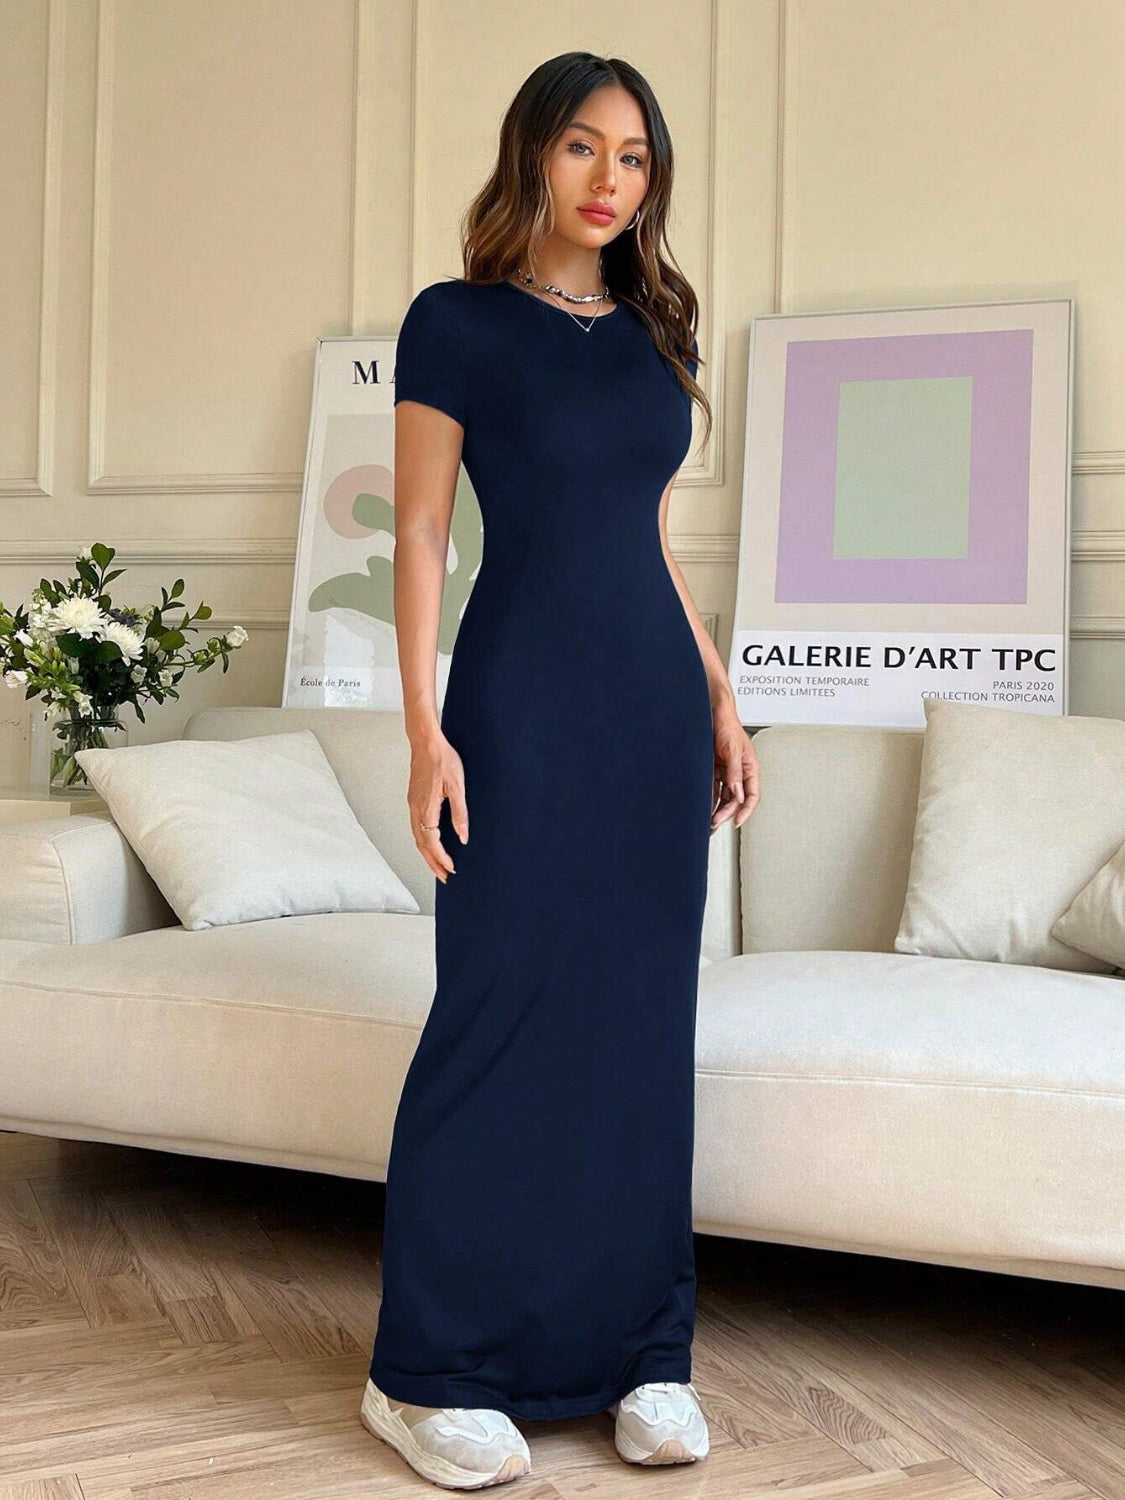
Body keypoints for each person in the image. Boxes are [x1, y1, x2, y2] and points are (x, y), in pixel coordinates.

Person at [360, 50, 760, 1490]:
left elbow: (649, 539)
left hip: (649, 711)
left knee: (638, 1029)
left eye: (634, 157)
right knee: (497, 1013)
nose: (610, 179)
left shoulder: (653, 329)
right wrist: (424, 728)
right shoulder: (455, 321)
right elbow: (420, 532)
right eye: (584, 146)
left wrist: (718, 691)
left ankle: (643, 1353)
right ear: (532, 151)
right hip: (519, 704)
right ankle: (426, 1371)